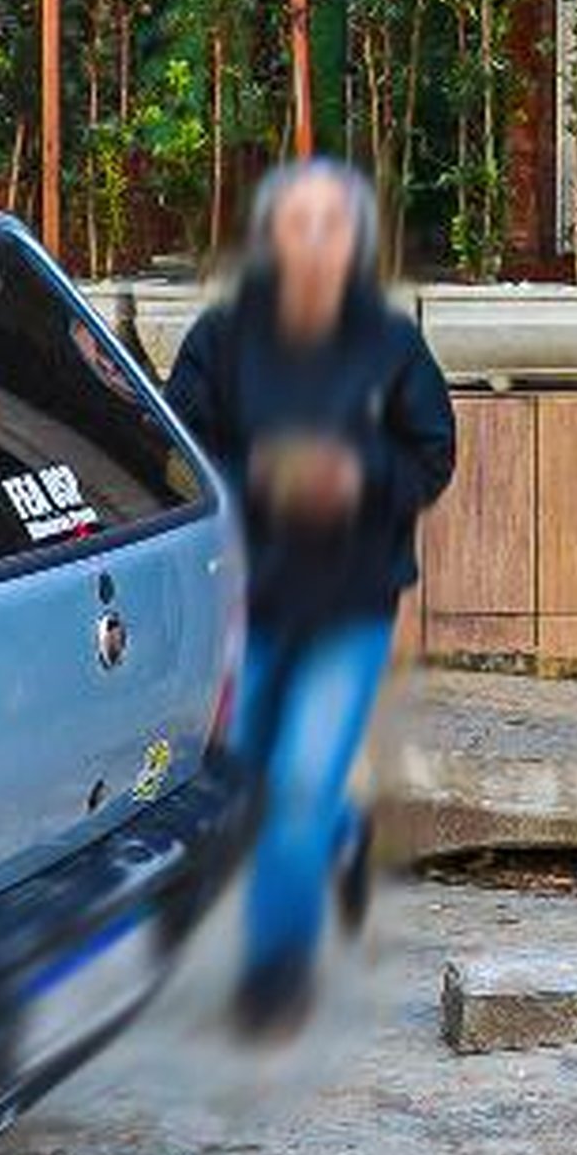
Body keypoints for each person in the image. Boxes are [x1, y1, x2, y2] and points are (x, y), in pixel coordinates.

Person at [169, 158, 457, 1034]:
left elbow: (431, 454)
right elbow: (180, 448)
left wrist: (357, 474)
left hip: (352, 599)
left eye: (335, 225)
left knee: (293, 784)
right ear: (271, 238)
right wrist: (256, 474)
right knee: (252, 783)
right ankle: (340, 840)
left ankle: (274, 981)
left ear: (357, 243)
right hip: (248, 599)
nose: (317, 242)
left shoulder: (391, 344)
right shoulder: (220, 340)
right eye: (300, 223)